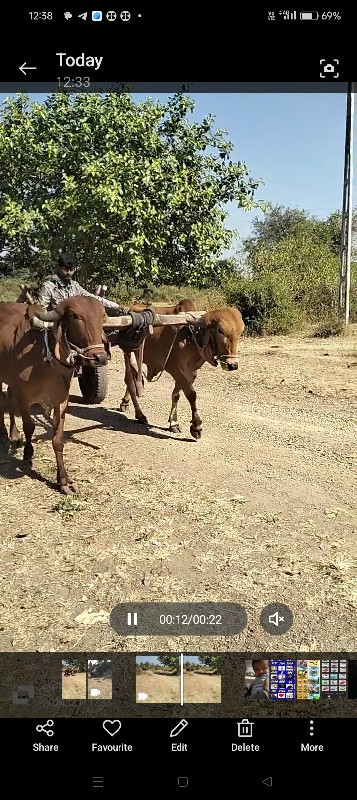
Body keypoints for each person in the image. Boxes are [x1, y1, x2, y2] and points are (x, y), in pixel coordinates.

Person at [38, 253, 123, 314]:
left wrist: (116, 306)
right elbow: (41, 310)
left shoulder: (75, 286)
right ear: (59, 268)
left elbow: (93, 298)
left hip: (74, 326)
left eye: (71, 270)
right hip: (55, 326)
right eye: (66, 269)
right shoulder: (49, 287)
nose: (68, 273)